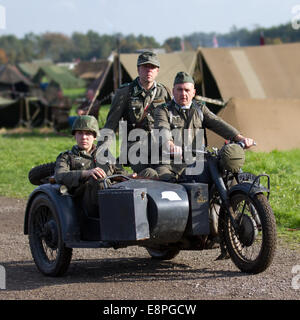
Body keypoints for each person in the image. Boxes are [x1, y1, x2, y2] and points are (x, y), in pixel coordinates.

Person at [153, 71, 255, 182]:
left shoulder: (200, 109)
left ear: (193, 92)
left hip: (197, 160)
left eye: (187, 90)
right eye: (179, 90)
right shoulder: (163, 110)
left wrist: (240, 138)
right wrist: (171, 146)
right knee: (167, 184)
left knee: (227, 177)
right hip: (170, 163)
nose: (183, 94)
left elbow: (218, 123)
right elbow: (163, 130)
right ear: (173, 91)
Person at [97, 51, 171, 173]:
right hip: (135, 147)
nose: (149, 70)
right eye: (145, 67)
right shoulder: (125, 92)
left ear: (157, 71)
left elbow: (171, 122)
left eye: (152, 67)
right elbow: (110, 125)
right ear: (138, 69)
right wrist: (100, 152)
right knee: (146, 174)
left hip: (158, 147)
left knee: (166, 176)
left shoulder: (164, 92)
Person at [54, 115, 132, 218]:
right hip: (83, 204)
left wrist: (135, 177)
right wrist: (86, 173)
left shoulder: (105, 155)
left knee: (148, 173)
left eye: (88, 133)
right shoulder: (67, 157)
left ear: (95, 137)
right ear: (75, 136)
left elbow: (122, 174)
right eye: (80, 133)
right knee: (98, 179)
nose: (84, 137)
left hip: (111, 198)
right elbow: (60, 176)